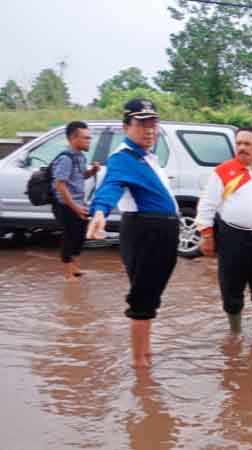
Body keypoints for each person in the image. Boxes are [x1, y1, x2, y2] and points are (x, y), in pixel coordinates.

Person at [86, 98, 179, 369]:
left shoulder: (146, 157)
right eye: (142, 124)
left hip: (158, 233)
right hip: (145, 232)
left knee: (150, 294)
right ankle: (140, 365)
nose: (149, 130)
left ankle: (146, 353)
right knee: (142, 296)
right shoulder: (122, 158)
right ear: (126, 126)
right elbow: (110, 186)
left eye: (153, 124)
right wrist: (100, 211)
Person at [195, 127, 252, 333]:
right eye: (239, 143)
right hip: (232, 238)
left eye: (247, 144)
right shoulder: (223, 171)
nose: (242, 148)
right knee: (232, 286)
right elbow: (207, 205)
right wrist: (207, 236)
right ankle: (235, 334)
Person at [51, 121, 100, 281]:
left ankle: (75, 267)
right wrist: (75, 208)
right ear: (73, 138)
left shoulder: (80, 156)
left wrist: (92, 171)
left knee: (79, 236)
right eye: (86, 138)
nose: (89, 141)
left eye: (89, 138)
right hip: (66, 205)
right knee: (69, 237)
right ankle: (68, 274)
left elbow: (79, 177)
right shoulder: (66, 158)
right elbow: (60, 185)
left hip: (78, 204)